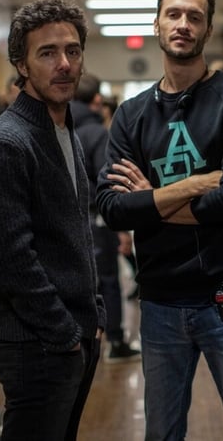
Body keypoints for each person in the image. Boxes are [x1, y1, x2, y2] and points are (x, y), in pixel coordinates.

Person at [97, 0, 223, 441]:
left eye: (194, 16)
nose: (183, 24)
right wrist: (195, 185)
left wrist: (149, 200)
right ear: (156, 25)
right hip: (158, 301)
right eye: (173, 14)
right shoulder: (132, 115)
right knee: (162, 434)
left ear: (208, 29)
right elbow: (113, 208)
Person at [0, 0, 105, 441]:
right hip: (38, 342)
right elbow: (9, 259)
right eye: (47, 53)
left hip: (74, 333)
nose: (64, 64)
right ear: (21, 65)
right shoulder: (7, 143)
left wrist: (94, 314)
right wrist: (62, 332)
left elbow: (73, 233)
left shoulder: (62, 130)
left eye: (72, 51)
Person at [70, 74, 141, 362]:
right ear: (97, 100)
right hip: (96, 219)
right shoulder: (97, 133)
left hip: (69, 219)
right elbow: (107, 182)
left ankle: (83, 339)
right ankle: (114, 340)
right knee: (108, 280)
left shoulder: (60, 125)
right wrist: (121, 227)